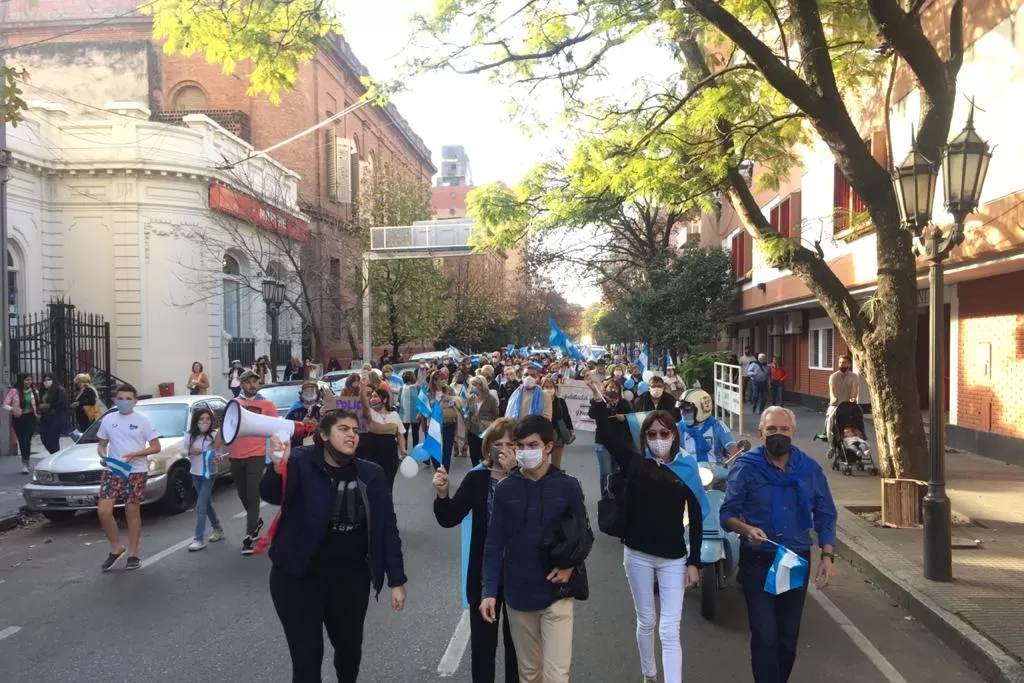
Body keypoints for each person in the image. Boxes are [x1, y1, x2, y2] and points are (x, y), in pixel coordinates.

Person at [260, 410, 407, 683]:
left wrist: (396, 579)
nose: (351, 434)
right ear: (325, 435)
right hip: (297, 578)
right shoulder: (301, 462)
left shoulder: (371, 474)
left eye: (354, 430)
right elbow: (271, 494)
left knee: (349, 653)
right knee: (306, 659)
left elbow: (387, 528)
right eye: (343, 429)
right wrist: (277, 466)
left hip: (349, 580)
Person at [588, 377, 704, 683]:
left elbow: (697, 515)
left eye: (664, 433)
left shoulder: (687, 468)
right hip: (637, 554)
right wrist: (598, 399)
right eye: (651, 434)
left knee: (669, 629)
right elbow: (610, 437)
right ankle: (649, 673)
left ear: (674, 435)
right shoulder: (635, 464)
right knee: (646, 621)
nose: (658, 438)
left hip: (673, 559)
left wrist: (694, 563)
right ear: (645, 437)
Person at [721, 406, 838, 683]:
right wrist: (746, 528)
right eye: (771, 429)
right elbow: (727, 513)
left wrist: (827, 555)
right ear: (761, 432)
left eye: (784, 429)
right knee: (765, 636)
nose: (778, 434)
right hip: (758, 561)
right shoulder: (746, 467)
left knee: (787, 638)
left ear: (793, 433)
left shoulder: (809, 469)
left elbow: (825, 512)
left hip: (794, 560)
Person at [480, 415, 590, 683]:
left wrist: (570, 567)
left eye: (532, 445)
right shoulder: (506, 489)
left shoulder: (568, 486)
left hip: (557, 595)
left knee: (556, 676)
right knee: (529, 675)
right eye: (521, 446)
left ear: (549, 447)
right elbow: (494, 543)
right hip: (518, 597)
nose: (525, 452)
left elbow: (584, 535)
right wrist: (489, 592)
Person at [433, 418, 520, 683]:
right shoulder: (477, 478)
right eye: (498, 444)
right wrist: (443, 494)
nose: (504, 449)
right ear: (487, 448)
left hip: (520, 575)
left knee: (517, 648)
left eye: (511, 444)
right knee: (483, 647)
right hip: (483, 577)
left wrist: (515, 472)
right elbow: (450, 517)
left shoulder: (528, 479)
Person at [96, 384, 161, 571]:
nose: (124, 402)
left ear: (135, 401)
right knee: (103, 511)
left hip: (136, 471)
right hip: (114, 470)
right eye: (121, 398)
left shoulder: (143, 420)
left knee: (131, 511)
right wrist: (103, 456)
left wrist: (135, 454)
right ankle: (116, 548)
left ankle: (133, 554)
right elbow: (102, 444)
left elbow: (156, 447)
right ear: (115, 400)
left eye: (128, 398)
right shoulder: (108, 419)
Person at [228, 370, 278, 555]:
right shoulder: (233, 404)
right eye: (248, 382)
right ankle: (255, 521)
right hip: (235, 454)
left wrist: (278, 451)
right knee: (242, 494)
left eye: (255, 382)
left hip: (256, 454)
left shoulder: (267, 404)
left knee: (252, 494)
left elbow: (276, 428)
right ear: (241, 384)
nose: (252, 385)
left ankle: (249, 536)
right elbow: (225, 428)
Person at [182, 406, 225, 551]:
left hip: (209, 474)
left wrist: (216, 458)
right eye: (202, 419)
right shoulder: (190, 435)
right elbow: (183, 452)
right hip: (195, 473)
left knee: (200, 505)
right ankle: (217, 528)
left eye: (207, 419)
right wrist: (190, 451)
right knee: (206, 503)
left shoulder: (214, 435)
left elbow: (219, 452)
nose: (205, 422)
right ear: (196, 420)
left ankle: (198, 538)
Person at [359, 384, 406, 492]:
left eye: (375, 396)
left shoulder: (394, 415)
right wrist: (362, 390)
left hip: (390, 457)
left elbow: (400, 435)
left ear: (384, 400)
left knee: (388, 486)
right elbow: (365, 406)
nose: (372, 399)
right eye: (371, 397)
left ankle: (388, 508)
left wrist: (403, 450)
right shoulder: (370, 413)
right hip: (373, 455)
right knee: (374, 486)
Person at [676, 388, 739, 466]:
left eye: (687, 410)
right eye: (681, 409)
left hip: (716, 474)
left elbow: (733, 450)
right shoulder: (676, 429)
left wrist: (736, 460)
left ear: (702, 409)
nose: (682, 413)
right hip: (688, 474)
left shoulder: (718, 426)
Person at [593, 377, 632, 495]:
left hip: (619, 443)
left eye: (615, 387)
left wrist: (624, 418)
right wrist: (602, 405)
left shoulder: (625, 403)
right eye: (610, 387)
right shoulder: (601, 401)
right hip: (603, 443)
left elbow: (632, 418)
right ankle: (605, 497)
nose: (613, 389)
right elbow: (592, 414)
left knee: (616, 472)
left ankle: (615, 497)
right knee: (606, 472)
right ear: (605, 388)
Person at [5, 373, 39, 473]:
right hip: (18, 419)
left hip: (30, 418)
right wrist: (13, 409)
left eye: (30, 380)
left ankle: (26, 463)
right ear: (21, 380)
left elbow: (38, 403)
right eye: (27, 380)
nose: (29, 382)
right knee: (22, 440)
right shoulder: (14, 391)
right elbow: (5, 404)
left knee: (27, 440)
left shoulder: (34, 391)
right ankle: (25, 462)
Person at [427, 370, 461, 471]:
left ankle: (445, 472)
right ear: (434, 381)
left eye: (444, 379)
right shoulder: (428, 393)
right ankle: (438, 469)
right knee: (433, 449)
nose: (444, 381)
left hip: (448, 422)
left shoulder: (449, 389)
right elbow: (424, 408)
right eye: (441, 379)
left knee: (447, 449)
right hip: (433, 424)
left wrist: (448, 399)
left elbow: (456, 403)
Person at [466, 375, 500, 467]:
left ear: (481, 386)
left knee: (484, 454)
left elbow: (496, 414)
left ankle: (485, 474)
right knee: (473, 455)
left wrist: (488, 421)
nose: (472, 387)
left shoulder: (490, 399)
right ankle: (475, 473)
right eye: (471, 384)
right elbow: (467, 411)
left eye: (474, 384)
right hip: (472, 430)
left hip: (485, 431)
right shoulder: (470, 398)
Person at [825, 355, 859, 440]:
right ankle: (830, 438)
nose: (841, 365)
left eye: (843, 363)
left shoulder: (854, 376)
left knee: (857, 418)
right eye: (840, 362)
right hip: (836, 405)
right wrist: (834, 398)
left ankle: (856, 438)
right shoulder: (833, 376)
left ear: (849, 365)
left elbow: (854, 390)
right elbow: (832, 391)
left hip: (848, 405)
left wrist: (853, 398)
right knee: (830, 419)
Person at [544, 377, 575, 470]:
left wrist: (570, 430)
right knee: (541, 461)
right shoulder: (539, 401)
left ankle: (555, 479)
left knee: (556, 463)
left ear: (555, 388)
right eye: (546, 387)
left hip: (558, 434)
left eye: (551, 387)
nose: (549, 389)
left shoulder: (560, 401)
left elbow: (566, 416)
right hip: (543, 434)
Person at [285, 380, 323, 447]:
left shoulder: (321, 410)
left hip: (317, 447)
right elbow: (287, 429)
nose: (309, 395)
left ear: (317, 394)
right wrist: (301, 424)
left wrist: (317, 424)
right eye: (307, 392)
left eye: (312, 392)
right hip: (299, 447)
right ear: (302, 394)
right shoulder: (295, 410)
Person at [38, 373, 69, 455]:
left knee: (53, 439)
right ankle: (54, 454)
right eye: (45, 380)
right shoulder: (43, 391)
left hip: (56, 417)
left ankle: (55, 456)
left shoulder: (59, 389)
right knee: (44, 438)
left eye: (49, 379)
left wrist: (48, 405)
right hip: (45, 418)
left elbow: (61, 403)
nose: (46, 381)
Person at [398, 371, 420, 447]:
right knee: (404, 435)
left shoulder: (417, 387)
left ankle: (415, 451)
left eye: (408, 381)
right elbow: (399, 400)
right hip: (404, 415)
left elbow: (422, 401)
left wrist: (420, 413)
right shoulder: (402, 388)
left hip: (416, 415)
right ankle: (404, 451)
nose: (407, 383)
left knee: (415, 434)